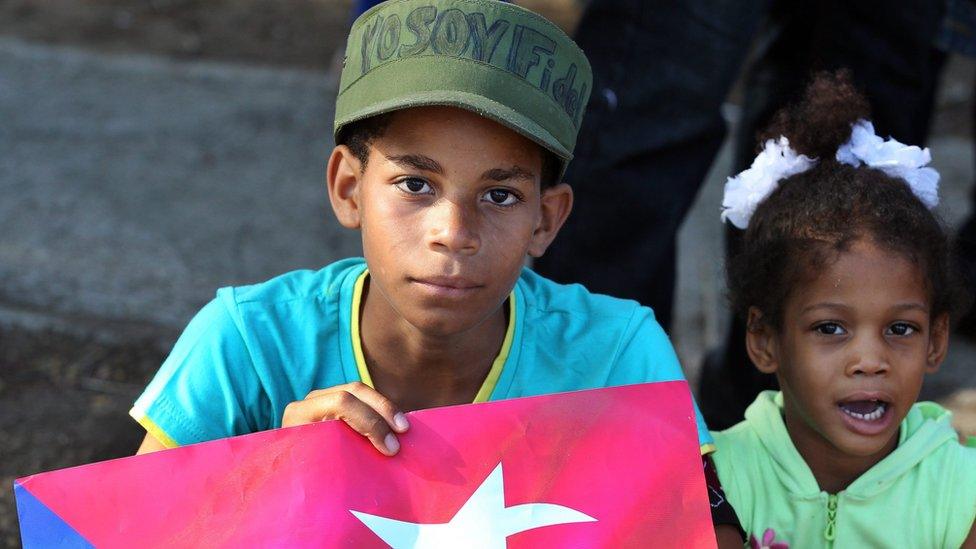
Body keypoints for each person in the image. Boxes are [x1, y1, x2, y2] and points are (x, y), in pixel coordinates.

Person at [128, 0, 742, 542]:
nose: (454, 230)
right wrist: (268, 478)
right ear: (348, 188)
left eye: (499, 195)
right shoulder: (246, 343)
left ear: (546, 221)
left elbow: (705, 532)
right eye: (415, 184)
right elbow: (124, 531)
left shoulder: (615, 357)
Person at [710, 72, 976, 547]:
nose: (871, 360)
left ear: (936, 341)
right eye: (830, 328)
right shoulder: (721, 477)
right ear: (764, 339)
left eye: (901, 328)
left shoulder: (962, 492)